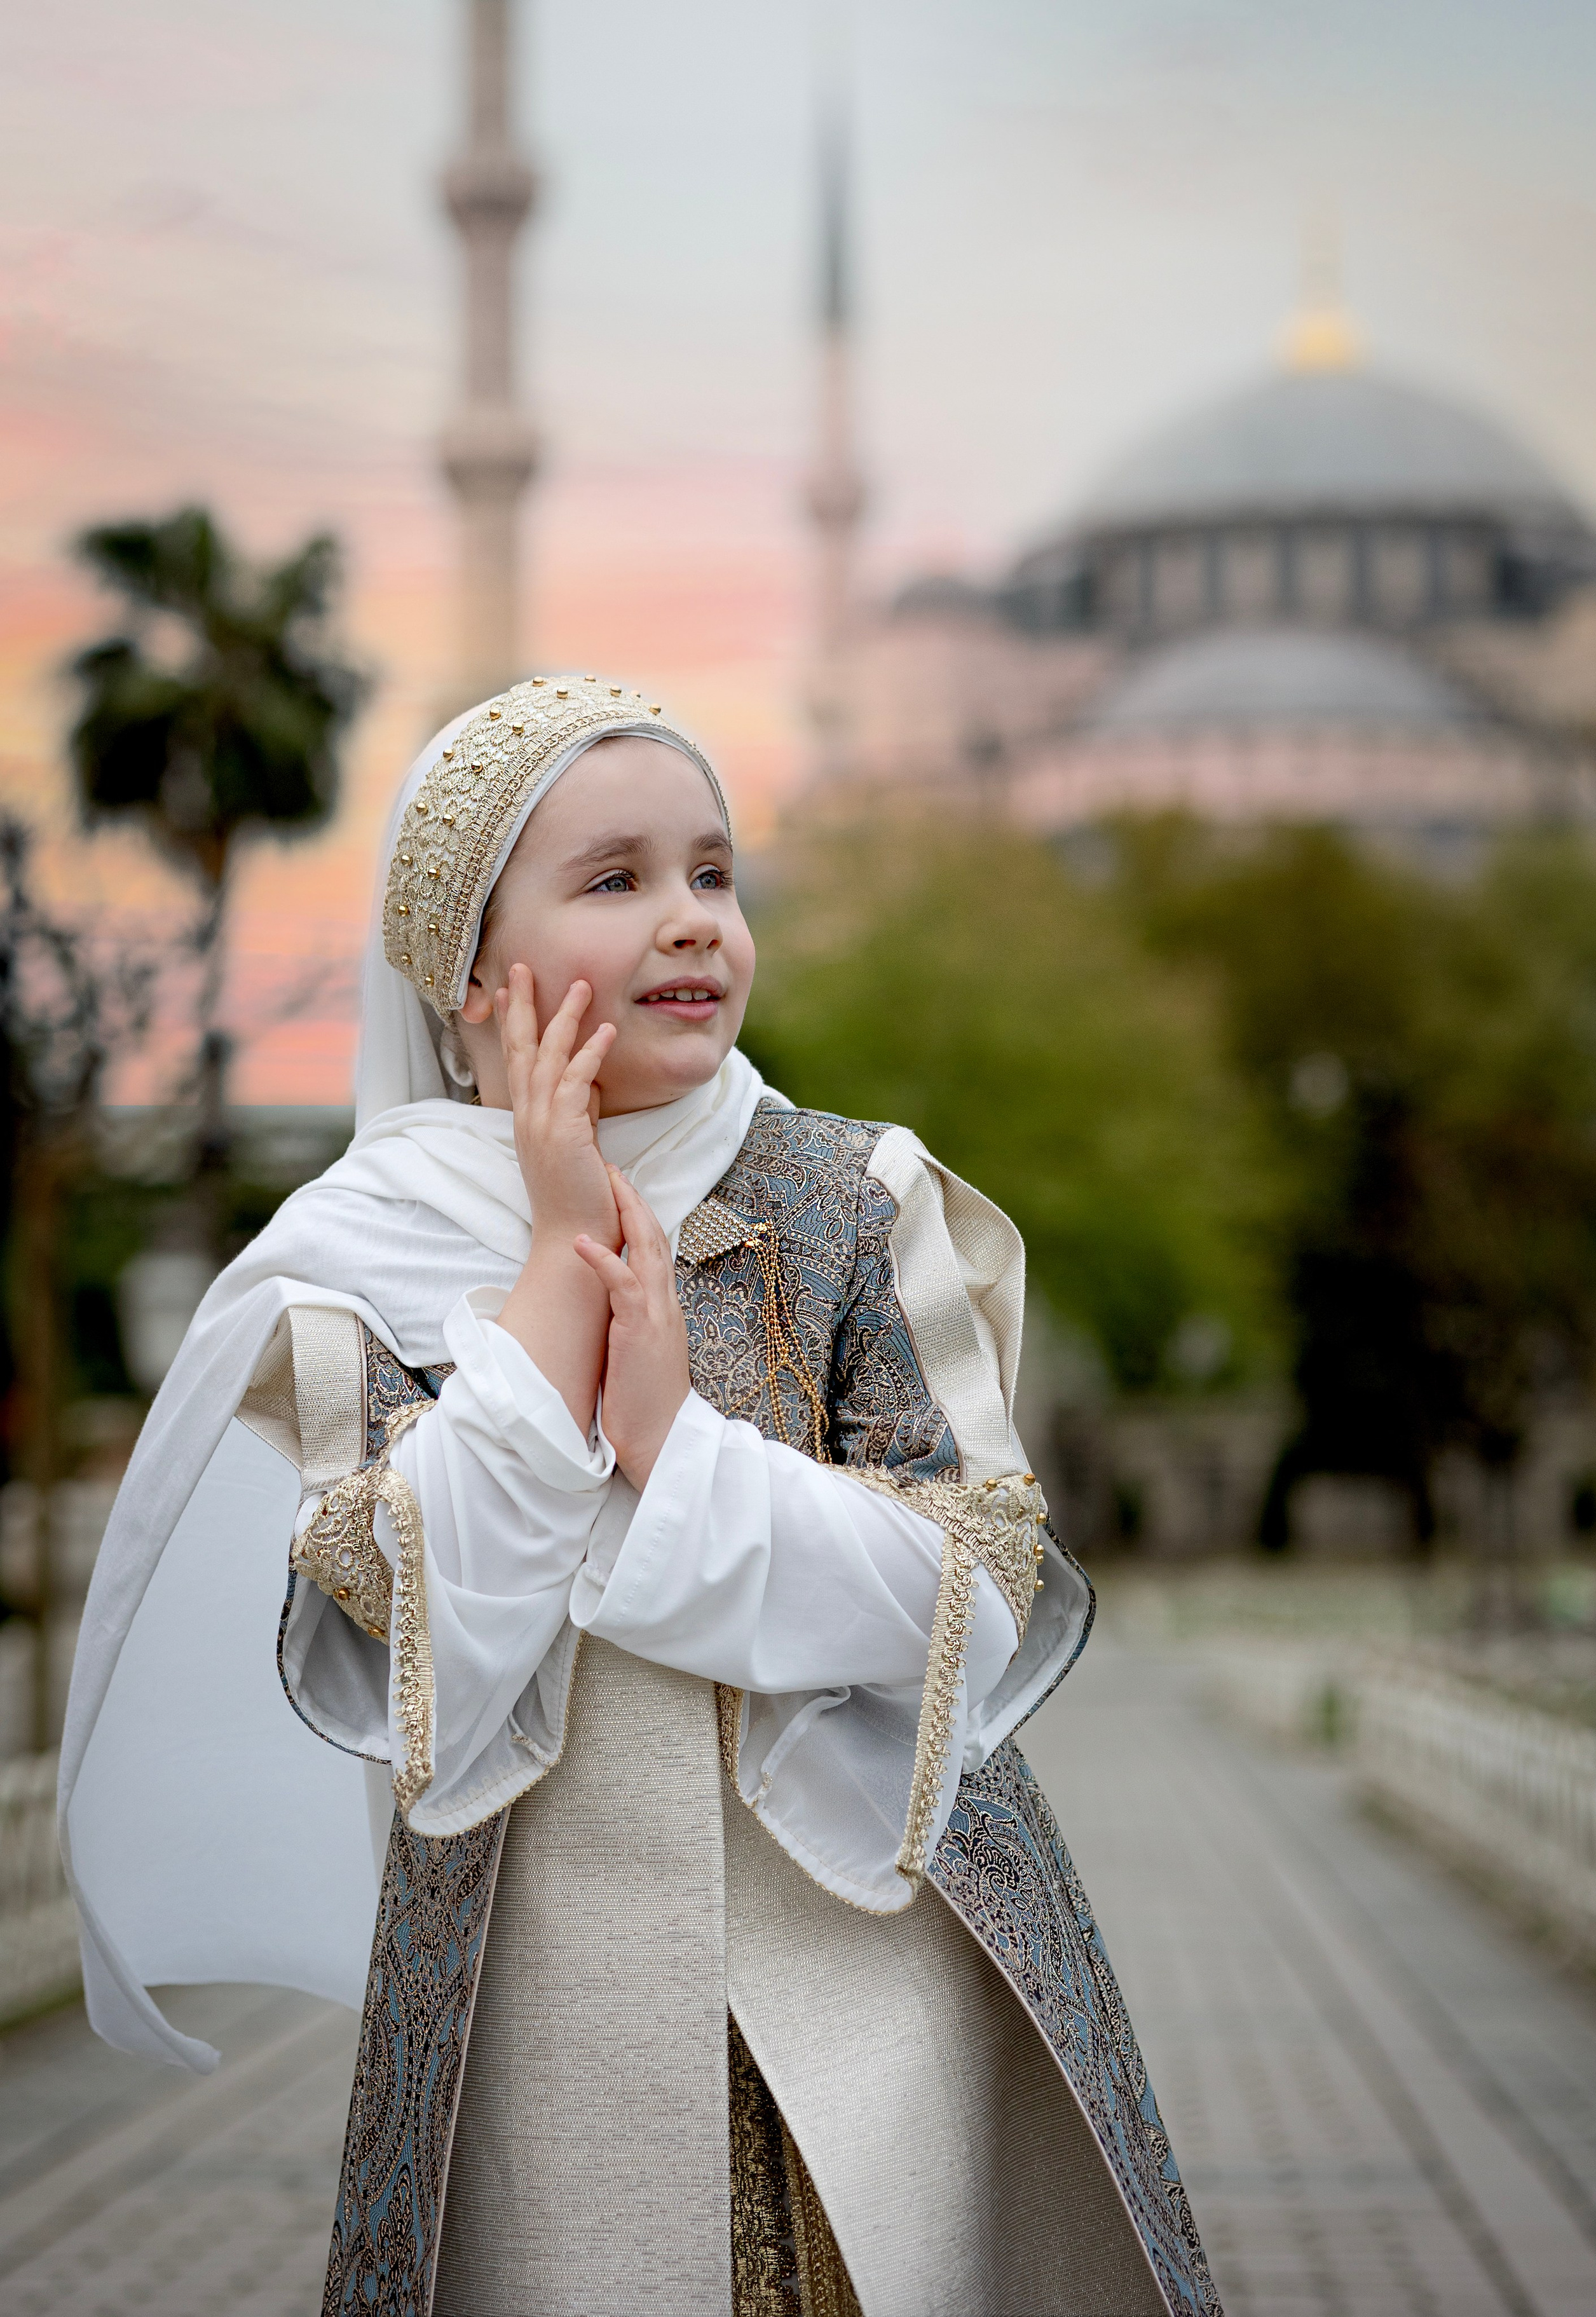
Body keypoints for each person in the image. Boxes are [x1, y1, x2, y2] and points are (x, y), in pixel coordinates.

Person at [59, 677, 1220, 2317]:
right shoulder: (358, 1271)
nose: (690, 922)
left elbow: (967, 1581)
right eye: (615, 882)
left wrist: (683, 1456)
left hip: (871, 1960)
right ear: (468, 970)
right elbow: (427, 1635)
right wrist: (550, 1279)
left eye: (715, 873)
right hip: (533, 1990)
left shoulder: (850, 1199)